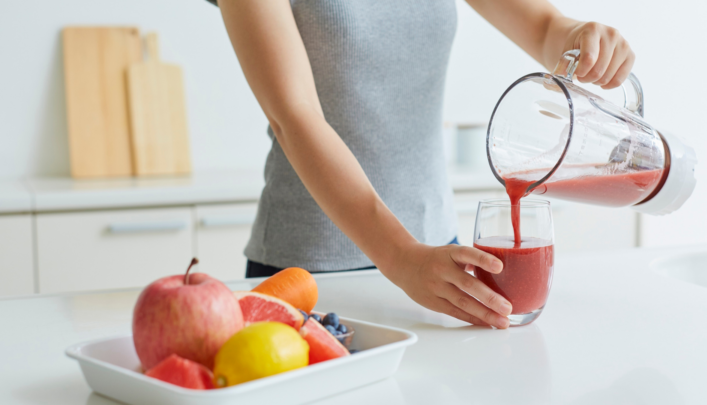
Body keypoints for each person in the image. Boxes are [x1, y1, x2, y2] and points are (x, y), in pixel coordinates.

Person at [208, 0, 635, 329]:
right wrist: (399, 256)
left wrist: (579, 36)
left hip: (438, 266)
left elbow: (545, 30)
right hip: (310, 270)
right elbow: (294, 117)